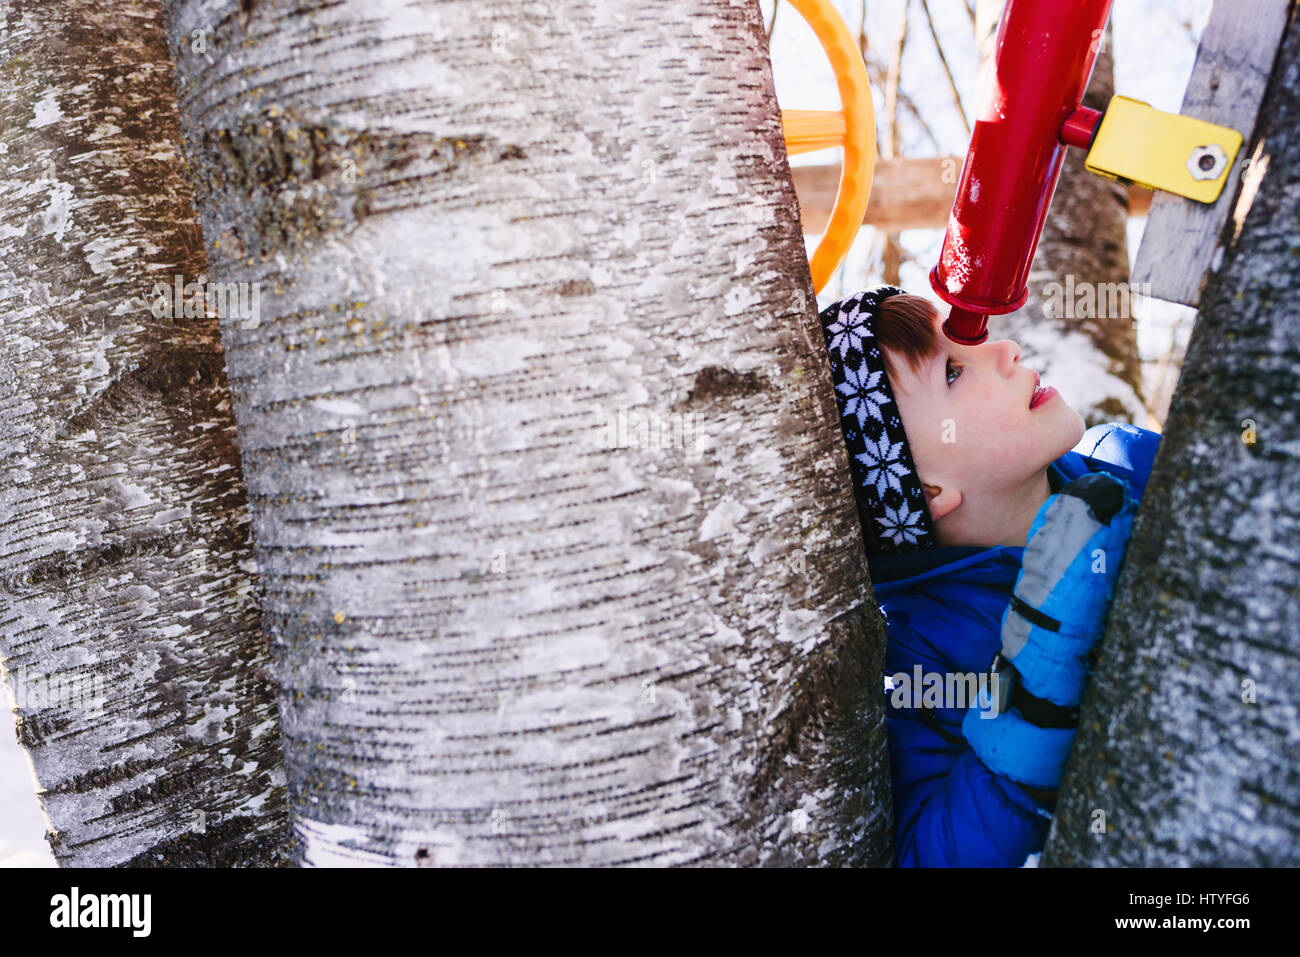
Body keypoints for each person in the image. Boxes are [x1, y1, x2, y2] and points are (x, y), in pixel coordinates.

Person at [817, 285, 1160, 866]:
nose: (1005, 351)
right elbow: (933, 854)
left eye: (971, 340)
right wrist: (1033, 698)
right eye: (954, 372)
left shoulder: (1137, 466)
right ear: (925, 491)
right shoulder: (916, 650)